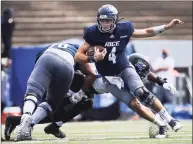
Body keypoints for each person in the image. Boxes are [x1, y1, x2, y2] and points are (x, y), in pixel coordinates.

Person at [6, 53, 180, 140]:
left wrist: (161, 81)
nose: (139, 77)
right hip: (79, 83)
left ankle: (50, 126)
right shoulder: (116, 74)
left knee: (81, 107)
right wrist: (159, 121)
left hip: (88, 88)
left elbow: (146, 74)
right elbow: (136, 104)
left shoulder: (127, 66)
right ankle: (19, 122)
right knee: (58, 110)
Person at [75, 4, 183, 137]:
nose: (105, 24)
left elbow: (147, 32)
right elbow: (78, 56)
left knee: (141, 92)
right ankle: (161, 125)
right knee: (134, 105)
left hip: (124, 68)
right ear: (98, 20)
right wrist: (92, 58)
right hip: (108, 78)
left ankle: (170, 120)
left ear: (115, 20)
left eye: (108, 20)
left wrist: (167, 27)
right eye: (102, 20)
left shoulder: (124, 28)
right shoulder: (92, 33)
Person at [15, 42, 80, 141]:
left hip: (46, 57)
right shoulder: (77, 48)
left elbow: (38, 65)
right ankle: (30, 123)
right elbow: (88, 70)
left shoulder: (49, 47)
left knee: (33, 92)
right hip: (66, 64)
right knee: (50, 103)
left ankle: (26, 114)